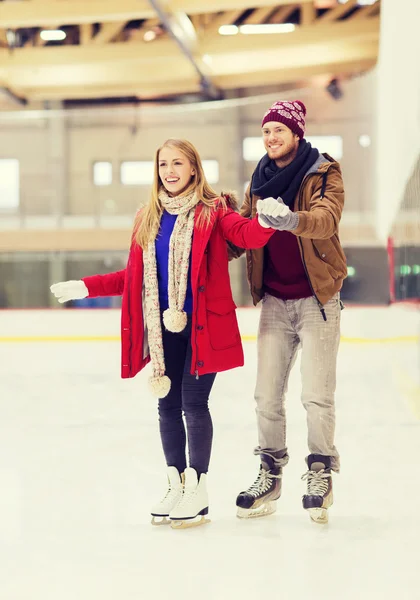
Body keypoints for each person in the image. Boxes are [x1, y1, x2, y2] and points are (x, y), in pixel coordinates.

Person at [50, 138, 277, 529]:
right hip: (162, 328)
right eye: (163, 165)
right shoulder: (148, 217)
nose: (169, 171)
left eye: (178, 163)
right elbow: (134, 278)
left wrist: (266, 221)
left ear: (194, 168)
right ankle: (176, 482)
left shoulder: (213, 212)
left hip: (203, 327)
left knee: (193, 403)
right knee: (167, 406)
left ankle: (199, 490)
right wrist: (88, 286)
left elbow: (246, 235)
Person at [230, 101, 347, 524]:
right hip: (276, 301)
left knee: (316, 395)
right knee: (265, 396)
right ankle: (270, 471)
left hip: (317, 300)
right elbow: (242, 232)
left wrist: (292, 219)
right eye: (267, 132)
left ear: (296, 133)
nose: (271, 138)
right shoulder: (259, 179)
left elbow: (325, 220)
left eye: (279, 130)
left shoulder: (323, 172)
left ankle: (320, 471)